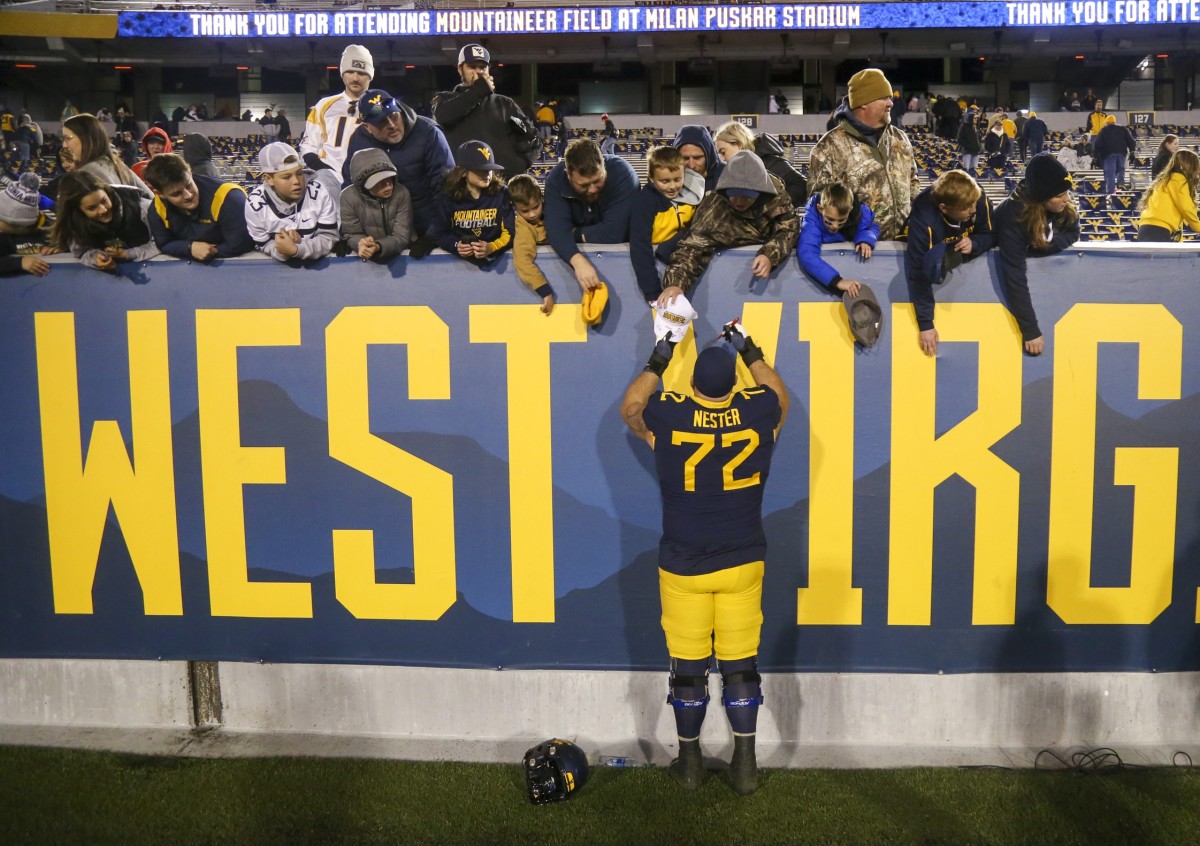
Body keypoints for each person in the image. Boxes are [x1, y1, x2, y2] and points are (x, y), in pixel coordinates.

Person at [620, 322, 789, 797]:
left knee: (689, 667)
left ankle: (690, 763)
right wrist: (749, 348)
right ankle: (746, 763)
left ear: (691, 384)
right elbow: (780, 398)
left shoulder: (671, 417)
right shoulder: (758, 411)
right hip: (743, 559)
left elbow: (631, 409)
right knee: (740, 666)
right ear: (736, 384)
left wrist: (661, 355)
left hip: (683, 562)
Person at [659, 150, 799, 302]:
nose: (739, 201)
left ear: (760, 192)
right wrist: (676, 284)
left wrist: (770, 254)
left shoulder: (777, 199)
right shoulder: (713, 207)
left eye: (747, 197)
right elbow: (693, 247)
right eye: (734, 194)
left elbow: (789, 229)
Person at [808, 68, 918, 241]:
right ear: (864, 102)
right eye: (884, 98)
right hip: (858, 252)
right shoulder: (829, 146)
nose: (891, 103)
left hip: (903, 246)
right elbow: (820, 205)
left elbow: (913, 181)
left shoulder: (899, 138)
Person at [993, 154, 1080, 356]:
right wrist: (1030, 330)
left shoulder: (1062, 205)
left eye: (1067, 192)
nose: (1067, 199)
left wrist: (1044, 246)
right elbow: (1014, 277)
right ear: (1042, 197)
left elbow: (1074, 232)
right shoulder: (1012, 215)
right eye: (1060, 195)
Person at [904, 169, 996, 357]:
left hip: (958, 242)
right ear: (944, 208)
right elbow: (917, 272)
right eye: (966, 208)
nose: (973, 210)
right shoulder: (923, 217)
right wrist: (926, 324)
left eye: (973, 204)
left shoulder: (976, 197)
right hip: (932, 246)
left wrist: (976, 243)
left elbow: (992, 234)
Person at [343, 88, 454, 239]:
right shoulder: (359, 140)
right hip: (379, 233)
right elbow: (350, 191)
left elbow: (446, 189)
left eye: (394, 116)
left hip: (425, 226)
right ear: (367, 127)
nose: (392, 125)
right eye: (381, 122)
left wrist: (434, 233)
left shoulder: (429, 133)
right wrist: (350, 234)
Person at [543, 137, 639, 295]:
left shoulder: (623, 173)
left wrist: (574, 233)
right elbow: (555, 231)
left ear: (603, 165)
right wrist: (577, 261)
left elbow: (614, 232)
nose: (593, 189)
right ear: (568, 175)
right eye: (584, 185)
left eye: (598, 180)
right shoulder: (556, 180)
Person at [432, 43, 539, 177]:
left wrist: (520, 163)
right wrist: (479, 90)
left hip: (499, 187)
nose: (478, 71)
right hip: (461, 186)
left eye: (482, 67)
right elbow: (444, 116)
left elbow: (534, 139)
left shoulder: (504, 103)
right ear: (460, 69)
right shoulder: (444, 98)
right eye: (472, 66)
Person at [142, 152, 253, 261]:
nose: (188, 195)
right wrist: (189, 248)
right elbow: (163, 243)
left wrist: (211, 251)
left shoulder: (229, 198)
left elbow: (242, 244)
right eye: (176, 194)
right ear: (160, 194)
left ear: (190, 173)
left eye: (188, 185)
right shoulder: (157, 207)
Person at [629, 145, 704, 304]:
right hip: (657, 268)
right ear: (651, 177)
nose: (672, 186)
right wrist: (652, 291)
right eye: (664, 181)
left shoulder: (693, 197)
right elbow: (640, 246)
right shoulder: (644, 203)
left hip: (684, 269)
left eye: (677, 179)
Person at [245, 141, 338, 263]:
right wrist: (282, 251)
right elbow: (264, 244)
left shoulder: (319, 192)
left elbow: (328, 237)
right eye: (286, 177)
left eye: (299, 173)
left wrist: (298, 249)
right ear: (269, 179)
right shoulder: (254, 204)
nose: (296, 181)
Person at [51, 170, 160, 272]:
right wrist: (96, 257)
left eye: (104, 200)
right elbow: (82, 252)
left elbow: (161, 243)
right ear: (78, 212)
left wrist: (127, 254)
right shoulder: (75, 224)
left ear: (107, 193)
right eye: (92, 208)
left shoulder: (143, 208)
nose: (103, 210)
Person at [426, 140, 514, 265]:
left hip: (497, 262)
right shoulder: (448, 197)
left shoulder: (501, 193)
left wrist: (492, 247)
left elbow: (510, 232)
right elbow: (439, 233)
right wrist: (456, 245)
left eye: (489, 169)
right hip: (458, 267)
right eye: (480, 169)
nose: (487, 174)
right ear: (463, 172)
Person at [301, 44, 374, 178]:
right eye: (350, 72)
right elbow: (308, 145)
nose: (355, 78)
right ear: (342, 74)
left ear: (370, 76)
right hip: (329, 178)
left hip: (368, 179)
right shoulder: (323, 105)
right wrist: (324, 171)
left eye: (362, 72)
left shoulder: (380, 106)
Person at [796, 182, 878, 298]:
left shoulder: (861, 213)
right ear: (820, 209)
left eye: (841, 221)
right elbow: (806, 253)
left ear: (850, 210)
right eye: (830, 220)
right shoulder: (812, 221)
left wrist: (865, 239)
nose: (835, 226)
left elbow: (872, 226)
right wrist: (837, 281)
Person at [340, 147, 413, 262]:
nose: (388, 185)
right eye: (379, 181)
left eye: (389, 177)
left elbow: (402, 237)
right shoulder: (348, 198)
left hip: (402, 255)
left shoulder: (402, 193)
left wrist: (378, 246)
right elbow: (351, 234)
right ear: (363, 184)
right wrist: (361, 244)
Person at [714, 121, 806, 209]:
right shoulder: (734, 170)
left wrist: (774, 208)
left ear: (739, 144)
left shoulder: (772, 162)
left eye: (723, 152)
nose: (722, 158)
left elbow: (802, 185)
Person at [61, 113, 151, 197]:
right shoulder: (117, 165)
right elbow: (150, 198)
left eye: (68, 138)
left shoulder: (88, 173)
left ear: (86, 139)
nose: (64, 145)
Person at [508, 174, 556, 314]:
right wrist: (544, 290)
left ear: (541, 197)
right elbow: (523, 260)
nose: (532, 215)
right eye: (525, 211)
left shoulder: (555, 209)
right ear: (515, 208)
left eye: (535, 207)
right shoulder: (523, 225)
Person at [1135, 149, 1200, 242]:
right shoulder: (1178, 179)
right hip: (1158, 230)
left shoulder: (1166, 179)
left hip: (1148, 229)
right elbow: (1186, 208)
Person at [0, 173, 52, 277]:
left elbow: (78, 241)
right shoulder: (3, 237)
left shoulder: (46, 227)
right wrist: (20, 263)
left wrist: (61, 245)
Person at [671, 124, 723, 192]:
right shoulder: (664, 178)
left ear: (709, 156)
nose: (691, 166)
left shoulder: (726, 175)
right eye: (685, 158)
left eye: (697, 158)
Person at [1093, 115, 1136, 195]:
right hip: (1121, 153)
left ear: (1106, 123)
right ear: (1114, 122)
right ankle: (1120, 186)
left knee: (1110, 174)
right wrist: (1132, 151)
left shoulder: (1104, 130)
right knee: (1120, 170)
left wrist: (1095, 157)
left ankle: (1111, 193)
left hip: (1108, 154)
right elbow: (1131, 141)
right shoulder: (1123, 129)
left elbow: (1097, 144)